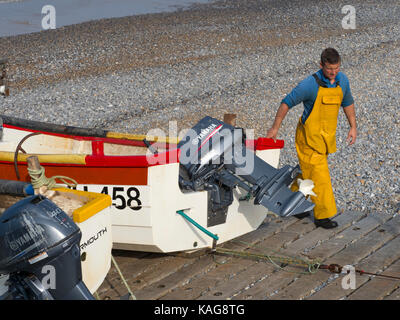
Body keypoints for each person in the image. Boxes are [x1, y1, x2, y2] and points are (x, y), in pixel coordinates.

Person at [266, 48, 357, 229]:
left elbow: (347, 102)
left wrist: (353, 127)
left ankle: (294, 202)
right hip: (307, 139)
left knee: (308, 173)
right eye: (330, 69)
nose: (333, 73)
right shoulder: (309, 84)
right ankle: (323, 216)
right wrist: (275, 128)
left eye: (337, 68)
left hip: (324, 139)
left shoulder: (343, 81)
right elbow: (286, 103)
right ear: (321, 65)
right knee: (320, 177)